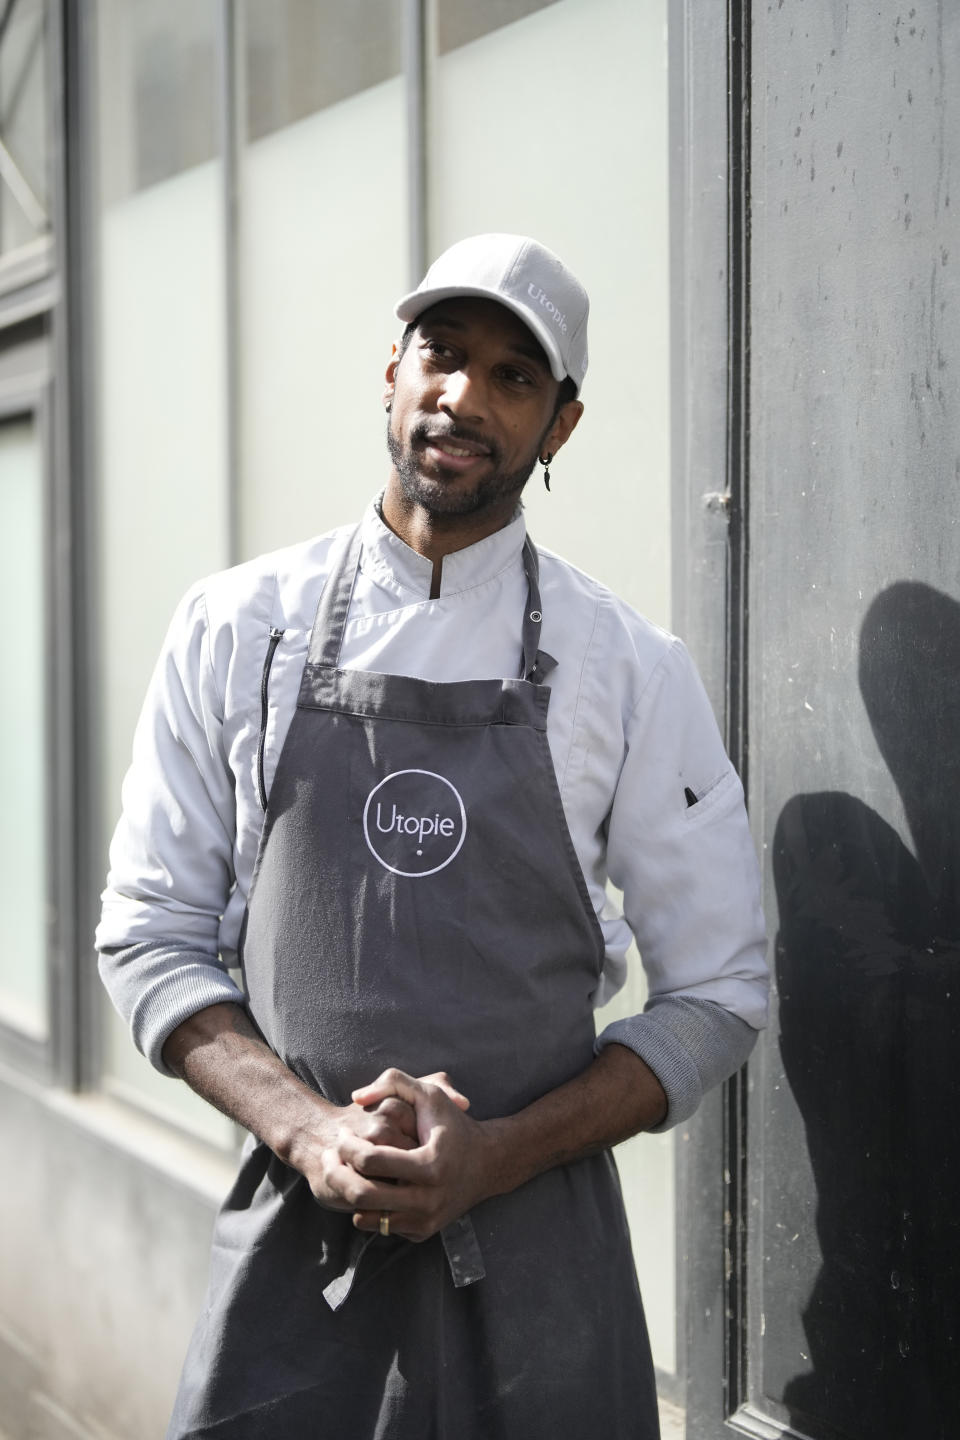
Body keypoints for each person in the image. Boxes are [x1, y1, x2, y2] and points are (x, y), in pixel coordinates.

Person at [98, 233, 767, 1439]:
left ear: (560, 426)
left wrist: (498, 1153)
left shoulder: (630, 669)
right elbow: (149, 935)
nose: (465, 395)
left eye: (516, 376)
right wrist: (309, 1132)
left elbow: (720, 992)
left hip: (543, 1276)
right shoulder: (234, 629)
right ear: (391, 373)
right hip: (299, 1274)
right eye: (443, 355)